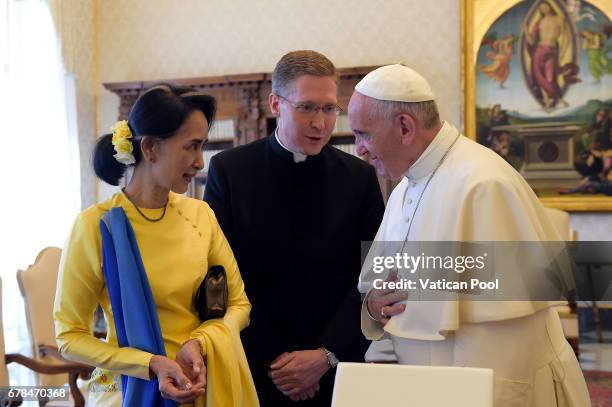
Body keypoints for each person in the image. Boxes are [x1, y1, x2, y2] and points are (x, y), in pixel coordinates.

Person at [348, 64, 591, 406]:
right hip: (428, 387)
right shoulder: (405, 186)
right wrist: (375, 306)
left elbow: (506, 348)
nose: (359, 148)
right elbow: (381, 290)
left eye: (363, 134)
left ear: (405, 127)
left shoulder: (484, 184)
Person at [54, 85, 258, 406]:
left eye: (202, 146)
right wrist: (149, 364)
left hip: (202, 386)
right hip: (128, 390)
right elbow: (69, 337)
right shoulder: (98, 226)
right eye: (191, 147)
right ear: (150, 147)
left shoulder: (200, 215)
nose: (200, 162)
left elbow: (239, 305)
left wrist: (200, 342)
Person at [204, 50, 385, 406]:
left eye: (329, 108)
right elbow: (219, 276)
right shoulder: (230, 171)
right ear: (275, 103)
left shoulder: (360, 177)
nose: (321, 123)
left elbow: (373, 275)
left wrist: (325, 355)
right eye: (307, 108)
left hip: (337, 367)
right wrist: (276, 362)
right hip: (257, 364)